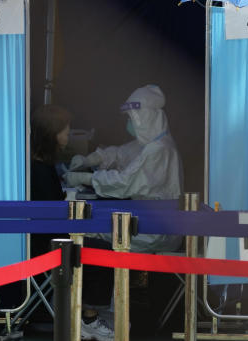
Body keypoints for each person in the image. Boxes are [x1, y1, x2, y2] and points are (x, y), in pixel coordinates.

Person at [29, 104, 114, 341]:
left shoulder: (34, 166)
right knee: (103, 251)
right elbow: (55, 218)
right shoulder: (42, 170)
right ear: (52, 134)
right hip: (48, 243)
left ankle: (87, 313)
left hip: (41, 238)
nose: (68, 135)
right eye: (65, 131)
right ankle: (88, 317)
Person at [64, 84, 183, 253]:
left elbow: (124, 182)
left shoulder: (159, 150)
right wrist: (89, 160)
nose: (128, 123)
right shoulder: (150, 144)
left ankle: (90, 276)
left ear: (143, 118)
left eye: (131, 118)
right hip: (148, 220)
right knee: (94, 224)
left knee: (89, 228)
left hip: (155, 231)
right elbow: (120, 153)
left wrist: (86, 178)